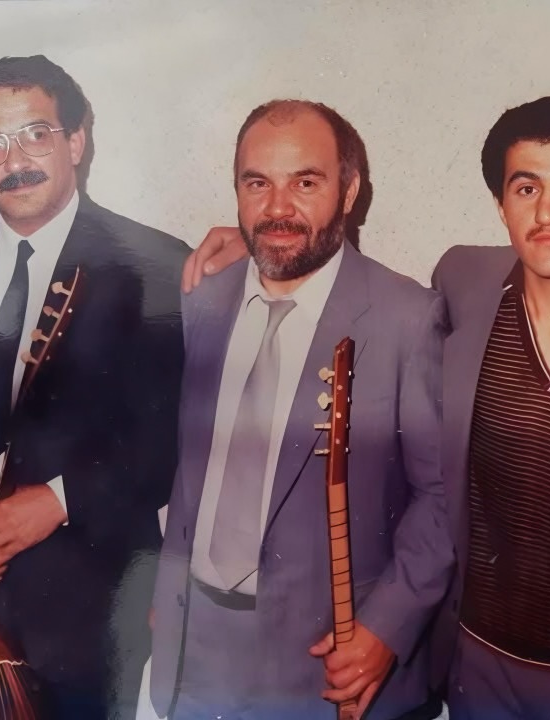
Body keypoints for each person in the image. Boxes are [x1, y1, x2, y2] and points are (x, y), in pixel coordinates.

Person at [182, 95, 550, 720]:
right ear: (501, 205)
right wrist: (259, 242)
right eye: (525, 188)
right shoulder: (463, 283)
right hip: (477, 669)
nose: (548, 211)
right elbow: (322, 270)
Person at [148, 99, 453, 720]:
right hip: (193, 654)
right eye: (257, 183)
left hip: (325, 664)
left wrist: (387, 627)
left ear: (350, 191)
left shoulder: (406, 318)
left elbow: (444, 495)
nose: (278, 208)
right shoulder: (202, 300)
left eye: (305, 183)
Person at [0, 55, 188, 718]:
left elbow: (171, 440)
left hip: (91, 614)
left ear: (76, 141)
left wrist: (58, 501)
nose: (16, 161)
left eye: (36, 134)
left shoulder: (157, 265)